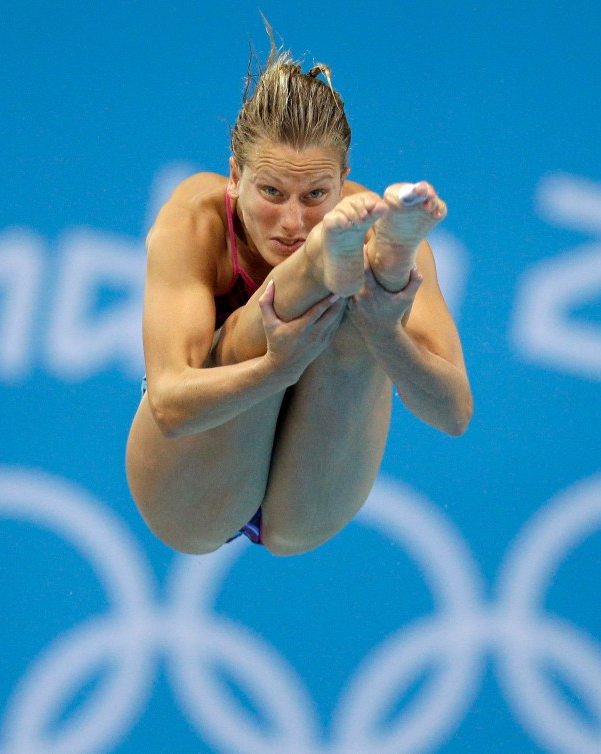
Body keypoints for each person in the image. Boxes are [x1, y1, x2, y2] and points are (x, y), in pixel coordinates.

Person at [124, 31, 471, 556]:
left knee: (357, 326)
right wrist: (274, 370)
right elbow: (170, 406)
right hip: (191, 493)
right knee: (258, 326)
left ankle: (368, 283)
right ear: (236, 177)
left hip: (307, 502)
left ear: (343, 178)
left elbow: (454, 413)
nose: (291, 220)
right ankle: (325, 265)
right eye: (271, 192)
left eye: (315, 195)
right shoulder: (195, 220)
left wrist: (385, 330)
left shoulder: (371, 218)